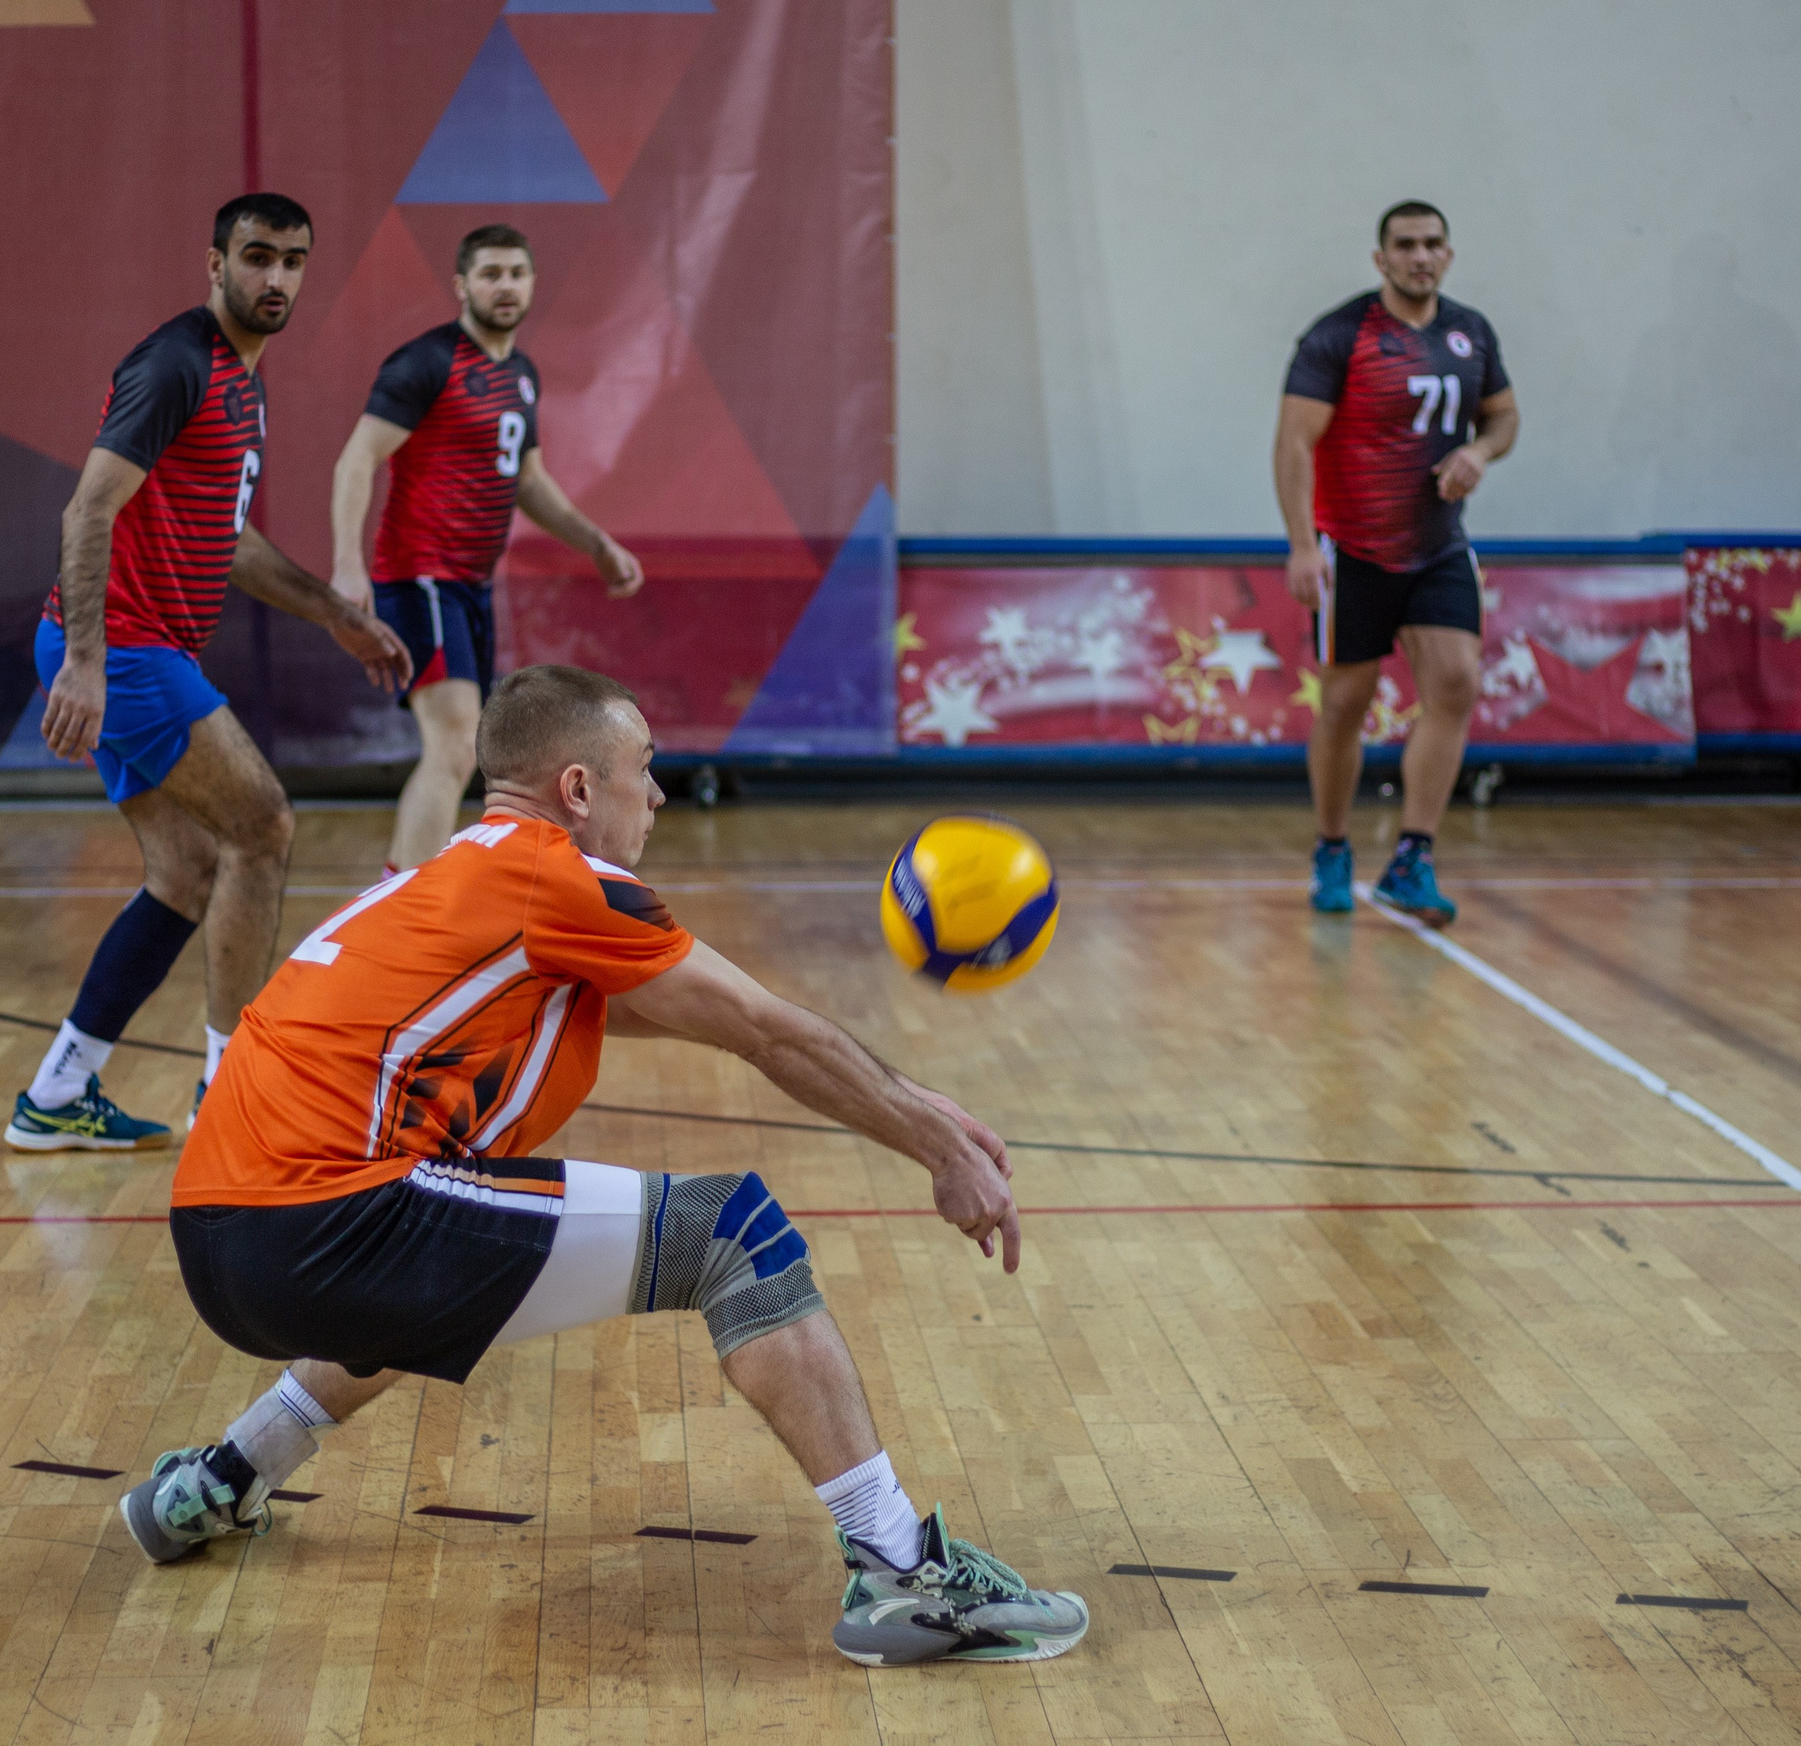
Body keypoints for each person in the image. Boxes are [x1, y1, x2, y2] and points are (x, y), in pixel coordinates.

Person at [119, 664, 1091, 1667]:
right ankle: (900, 1576)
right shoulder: (553, 877)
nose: (660, 795)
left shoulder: (445, 883)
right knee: (730, 1231)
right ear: (577, 790)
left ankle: (223, 1478)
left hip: (221, 1237)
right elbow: (767, 1032)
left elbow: (731, 1026)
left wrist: (907, 1101)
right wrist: (937, 1151)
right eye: (645, 769)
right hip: (328, 1223)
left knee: (444, 1254)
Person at [6, 193, 415, 1151]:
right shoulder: (178, 362)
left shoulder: (238, 378)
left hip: (135, 649)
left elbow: (225, 538)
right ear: (215, 262)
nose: (275, 278)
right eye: (257, 257)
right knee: (264, 826)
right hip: (126, 647)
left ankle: (58, 1094)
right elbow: (86, 513)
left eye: (293, 261)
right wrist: (85, 665)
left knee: (187, 869)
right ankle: (232, 1097)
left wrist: (337, 618)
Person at [329, 223, 643, 879]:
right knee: (451, 745)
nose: (505, 286)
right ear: (462, 285)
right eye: (491, 273)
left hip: (469, 586)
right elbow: (359, 455)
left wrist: (596, 543)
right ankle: (397, 913)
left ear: (532, 283)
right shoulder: (426, 363)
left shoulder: (520, 376)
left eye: (516, 273)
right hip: (419, 578)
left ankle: (414, 900)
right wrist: (347, 564)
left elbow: (528, 482)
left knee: (462, 747)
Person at [1274, 200, 1519, 926]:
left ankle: (1413, 856)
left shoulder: (1471, 333)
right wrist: (1298, 544)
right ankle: (1332, 845)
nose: (1421, 256)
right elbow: (1293, 444)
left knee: (1456, 682)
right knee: (1346, 704)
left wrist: (1479, 451)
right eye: (1405, 246)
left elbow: (1503, 416)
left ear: (1449, 254)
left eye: (1433, 244)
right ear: (1381, 259)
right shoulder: (1340, 336)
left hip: (1438, 546)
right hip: (1353, 549)